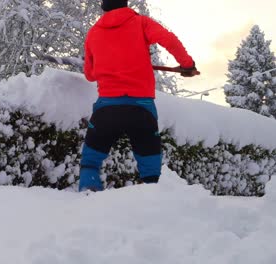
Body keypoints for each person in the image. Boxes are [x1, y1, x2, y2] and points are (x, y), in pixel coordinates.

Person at [79, 0, 199, 191]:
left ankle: (87, 196)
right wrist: (187, 65)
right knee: (150, 169)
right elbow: (169, 39)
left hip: (107, 108)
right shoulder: (141, 23)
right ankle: (151, 204)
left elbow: (90, 75)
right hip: (141, 108)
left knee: (90, 162)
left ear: (104, 7)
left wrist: (108, 64)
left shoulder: (94, 32)